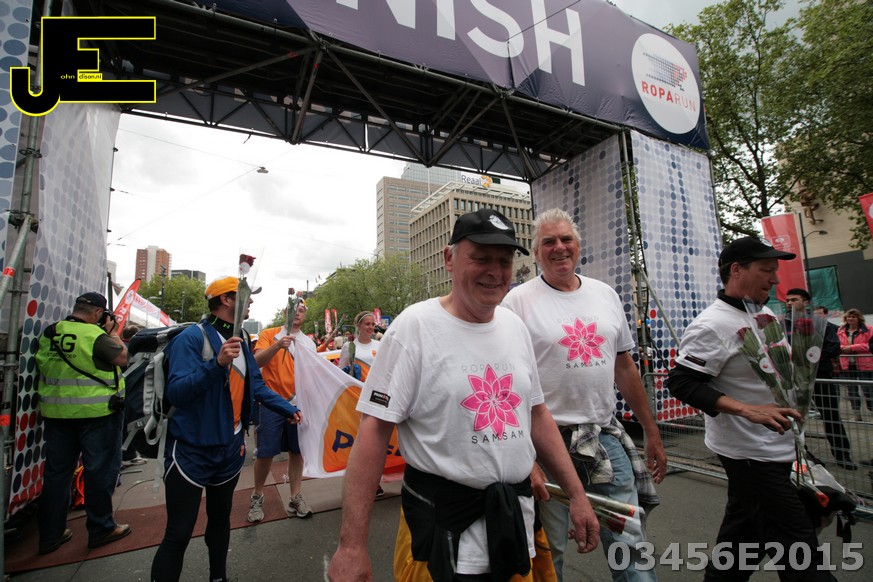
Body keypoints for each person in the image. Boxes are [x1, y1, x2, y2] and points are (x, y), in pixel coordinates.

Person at [328, 208, 600, 582]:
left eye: (504, 261)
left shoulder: (515, 327)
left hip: (515, 528)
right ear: (449, 259)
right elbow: (374, 430)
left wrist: (578, 495)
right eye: (481, 258)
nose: (495, 271)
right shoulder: (414, 328)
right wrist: (351, 546)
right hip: (441, 539)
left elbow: (537, 415)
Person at [502, 208, 666, 582]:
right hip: (546, 444)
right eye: (549, 242)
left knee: (629, 539)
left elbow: (625, 367)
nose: (559, 247)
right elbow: (508, 382)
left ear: (578, 246)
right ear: (536, 252)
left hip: (602, 437)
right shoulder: (517, 303)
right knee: (551, 549)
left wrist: (651, 430)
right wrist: (526, 459)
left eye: (566, 239)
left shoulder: (604, 295)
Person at [666, 236, 836, 581]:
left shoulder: (765, 313)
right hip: (750, 455)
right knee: (802, 555)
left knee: (740, 547)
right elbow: (681, 383)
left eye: (775, 270)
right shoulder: (711, 324)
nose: (775, 278)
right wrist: (748, 410)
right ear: (737, 270)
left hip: (780, 448)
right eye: (766, 270)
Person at [150, 277, 303, 582]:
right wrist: (217, 364)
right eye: (246, 296)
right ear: (226, 300)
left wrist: (288, 409)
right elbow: (177, 392)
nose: (251, 302)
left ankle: (218, 578)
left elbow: (256, 385)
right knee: (179, 533)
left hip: (230, 449)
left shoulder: (241, 337)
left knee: (220, 523)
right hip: (191, 451)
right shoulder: (191, 338)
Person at [34, 292, 132, 554]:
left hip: (57, 413)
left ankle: (50, 535)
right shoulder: (95, 336)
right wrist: (113, 332)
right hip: (96, 413)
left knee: (57, 474)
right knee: (99, 471)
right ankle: (101, 529)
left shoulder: (51, 332)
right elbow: (122, 357)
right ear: (99, 313)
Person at [247, 301, 317, 522]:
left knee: (297, 452)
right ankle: (257, 495)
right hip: (272, 403)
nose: (297, 313)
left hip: (298, 404)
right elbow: (255, 362)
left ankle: (295, 496)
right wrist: (277, 346)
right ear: (285, 312)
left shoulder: (309, 342)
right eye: (293, 309)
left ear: (304, 315)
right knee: (266, 452)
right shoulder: (270, 335)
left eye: (301, 310)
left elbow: (312, 375)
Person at [784, 289, 855, 469]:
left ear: (806, 302)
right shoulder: (782, 326)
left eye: (794, 300)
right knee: (794, 417)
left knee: (830, 415)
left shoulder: (821, 324)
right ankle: (802, 453)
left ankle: (842, 454)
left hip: (820, 376)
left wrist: (808, 358)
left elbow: (833, 347)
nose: (789, 303)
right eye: (787, 300)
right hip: (793, 378)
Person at [837, 308, 873, 422]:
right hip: (847, 364)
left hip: (864, 364)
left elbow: (869, 346)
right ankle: (856, 415)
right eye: (848, 316)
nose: (850, 319)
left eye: (853, 317)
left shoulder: (869, 330)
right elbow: (837, 344)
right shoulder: (841, 330)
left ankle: (872, 413)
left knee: (868, 390)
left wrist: (852, 347)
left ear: (859, 318)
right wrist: (842, 348)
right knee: (852, 391)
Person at [337, 311, 381, 381]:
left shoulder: (379, 345)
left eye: (373, 324)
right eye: (367, 324)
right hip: (357, 387)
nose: (371, 327)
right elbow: (341, 371)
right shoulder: (348, 346)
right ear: (358, 326)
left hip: (374, 386)